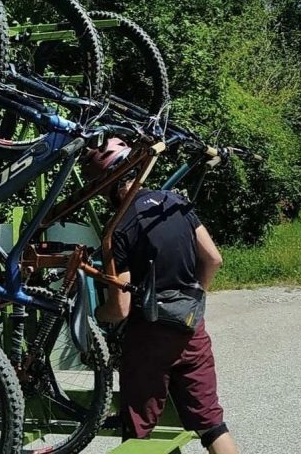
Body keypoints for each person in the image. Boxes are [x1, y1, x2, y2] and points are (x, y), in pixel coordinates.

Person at [83, 137, 238, 454]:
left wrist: (94, 316)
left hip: (148, 340)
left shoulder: (118, 229)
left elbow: (121, 308)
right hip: (191, 329)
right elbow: (213, 258)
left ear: (108, 181)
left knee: (139, 434)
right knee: (211, 425)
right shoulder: (174, 204)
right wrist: (193, 299)